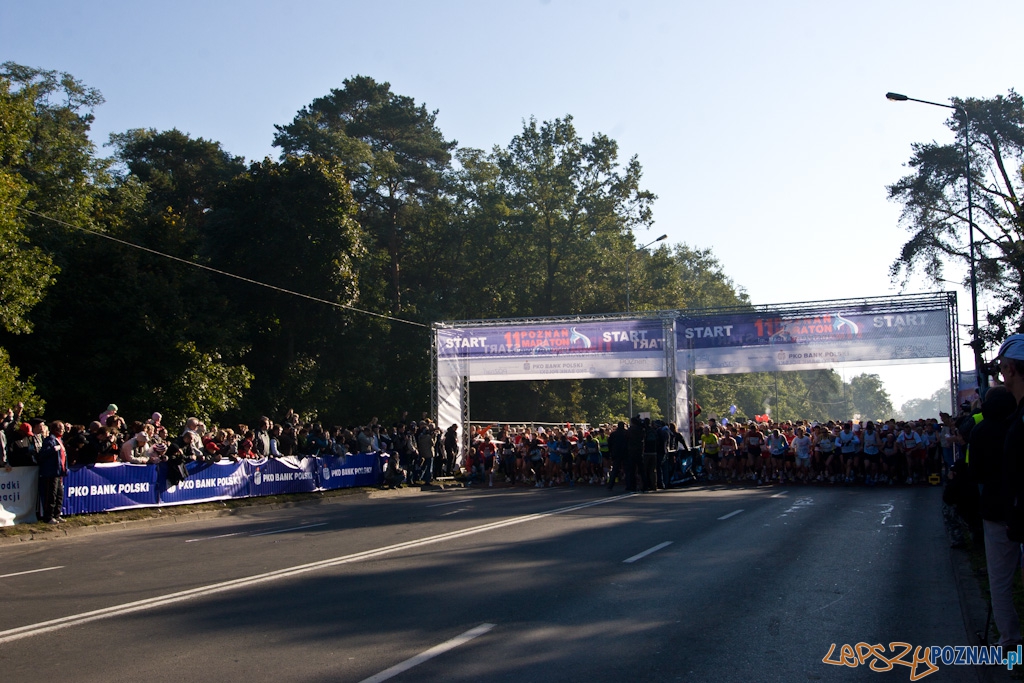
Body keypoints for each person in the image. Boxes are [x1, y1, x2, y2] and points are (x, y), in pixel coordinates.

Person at [967, 385, 1020, 650]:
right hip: (1017, 501)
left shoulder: (981, 430)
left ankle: (1009, 637)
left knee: (1000, 579)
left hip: (995, 506)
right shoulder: (1017, 426)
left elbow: (975, 471)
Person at [37, 421, 68, 524]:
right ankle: (48, 517)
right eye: (62, 429)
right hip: (51, 472)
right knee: (51, 495)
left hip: (59, 472)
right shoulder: (50, 440)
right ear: (56, 429)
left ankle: (57, 515)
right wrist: (53, 449)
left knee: (59, 494)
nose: (63, 431)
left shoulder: (59, 440)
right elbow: (43, 454)